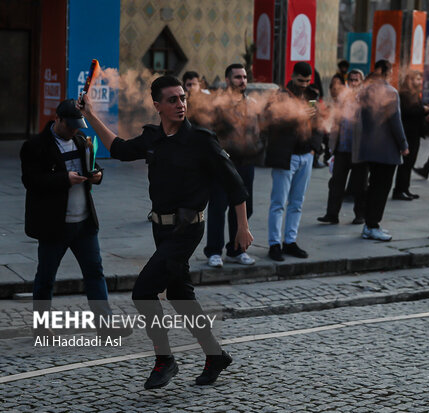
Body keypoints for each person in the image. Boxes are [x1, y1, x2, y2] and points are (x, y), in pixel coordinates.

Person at [80, 76, 253, 389]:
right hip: (160, 228)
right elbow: (118, 149)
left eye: (182, 98)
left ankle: (165, 359)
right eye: (172, 99)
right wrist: (91, 115)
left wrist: (242, 226)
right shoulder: (152, 138)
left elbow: (234, 183)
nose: (180, 104)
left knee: (143, 291)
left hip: (188, 228)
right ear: (157, 105)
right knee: (179, 293)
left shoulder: (201, 139)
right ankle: (215, 355)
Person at [20, 99, 131, 339]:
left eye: (77, 126)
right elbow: (31, 181)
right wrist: (64, 179)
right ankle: (41, 325)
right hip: (54, 225)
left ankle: (105, 325)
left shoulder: (81, 141)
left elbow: (94, 166)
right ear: (57, 119)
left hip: (84, 223)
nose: (74, 131)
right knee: (46, 276)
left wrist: (97, 176)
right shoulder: (35, 145)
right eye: (69, 126)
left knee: (95, 273)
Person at [202, 64, 262, 267]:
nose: (242, 81)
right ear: (228, 80)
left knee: (246, 208)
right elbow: (208, 134)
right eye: (237, 77)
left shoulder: (252, 103)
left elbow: (258, 131)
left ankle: (236, 250)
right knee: (218, 207)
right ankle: (214, 251)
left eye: (244, 77)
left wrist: (257, 148)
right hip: (223, 164)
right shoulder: (218, 105)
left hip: (246, 163)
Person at [264, 61, 322, 261]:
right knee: (278, 202)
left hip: (306, 154)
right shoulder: (280, 95)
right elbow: (270, 122)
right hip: (285, 155)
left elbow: (318, 123)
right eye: (301, 80)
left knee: (297, 203)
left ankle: (290, 241)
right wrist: (296, 116)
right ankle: (274, 244)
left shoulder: (312, 95)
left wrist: (315, 147)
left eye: (307, 81)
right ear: (293, 76)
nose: (304, 84)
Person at [353, 60, 409, 241]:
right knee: (381, 188)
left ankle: (369, 224)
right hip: (386, 148)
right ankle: (372, 225)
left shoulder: (366, 91)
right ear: (387, 72)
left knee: (373, 186)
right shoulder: (390, 92)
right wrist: (403, 144)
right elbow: (395, 120)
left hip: (370, 146)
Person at [317, 69, 367, 225]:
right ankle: (332, 214)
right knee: (336, 184)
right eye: (351, 80)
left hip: (359, 151)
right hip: (341, 149)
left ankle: (360, 215)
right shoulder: (342, 99)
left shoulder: (366, 100)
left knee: (361, 186)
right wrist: (331, 145)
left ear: (361, 82)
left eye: (356, 80)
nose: (353, 83)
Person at [392, 69, 429, 201]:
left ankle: (405, 188)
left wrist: (425, 112)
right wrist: (423, 110)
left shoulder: (414, 94)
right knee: (406, 163)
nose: (420, 82)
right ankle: (399, 190)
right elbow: (407, 111)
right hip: (408, 132)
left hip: (415, 133)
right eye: (417, 79)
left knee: (410, 163)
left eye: (420, 79)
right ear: (410, 80)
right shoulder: (404, 94)